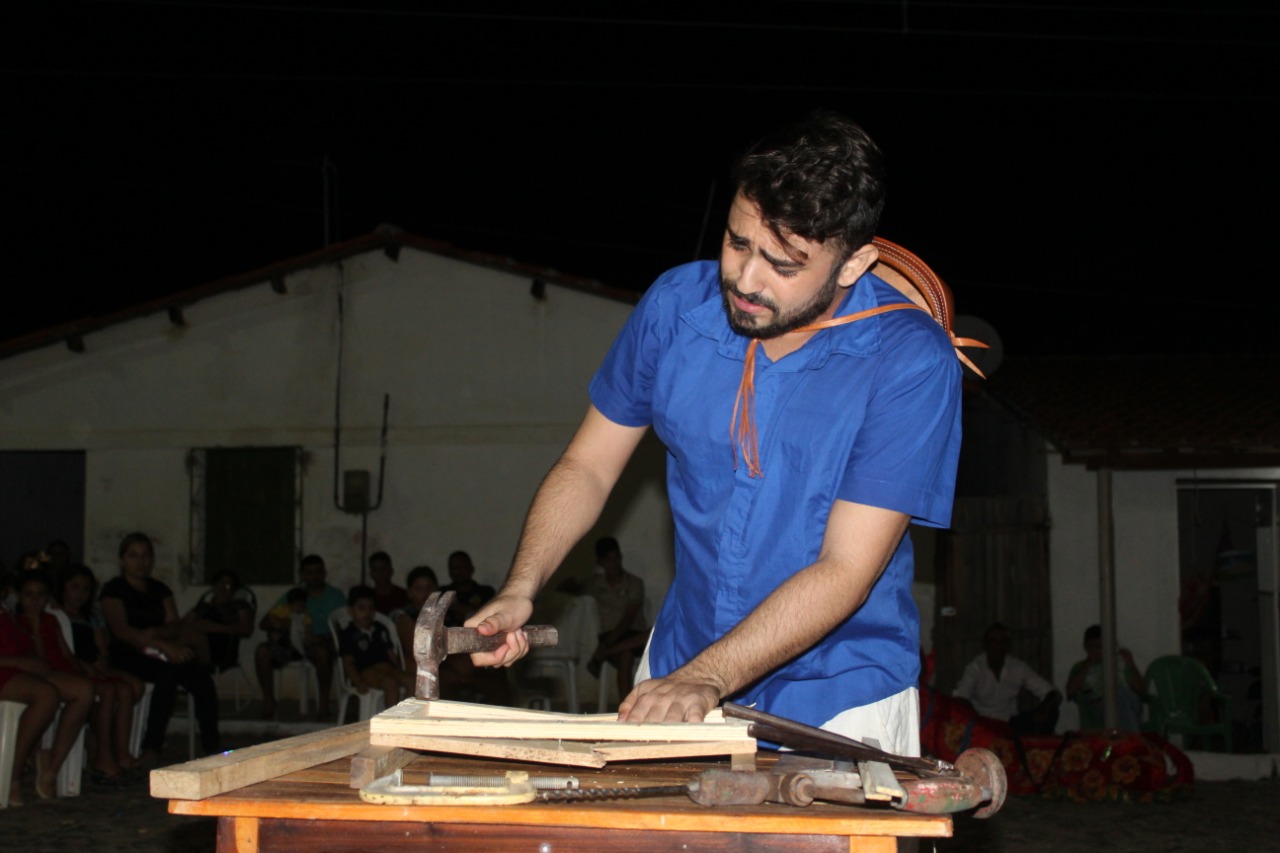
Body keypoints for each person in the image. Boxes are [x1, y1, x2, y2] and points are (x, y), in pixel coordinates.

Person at [468, 111, 963, 754]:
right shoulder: (675, 307)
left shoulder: (910, 360)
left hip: (838, 694)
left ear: (853, 264)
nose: (746, 280)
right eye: (737, 242)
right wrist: (520, 587)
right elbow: (589, 465)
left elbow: (845, 569)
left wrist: (708, 678)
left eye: (783, 264)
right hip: (678, 667)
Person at [100, 532, 222, 759]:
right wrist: (161, 645)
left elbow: (174, 626)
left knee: (201, 679)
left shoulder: (159, 589)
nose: (141, 561)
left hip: (160, 650)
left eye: (145, 555)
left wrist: (157, 635)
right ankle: (151, 746)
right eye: (134, 556)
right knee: (168, 673)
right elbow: (122, 631)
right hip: (128, 653)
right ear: (123, 559)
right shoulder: (113, 591)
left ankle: (212, 746)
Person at [0, 570, 95, 800]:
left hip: (21, 667)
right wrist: (21, 662)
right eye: (28, 594)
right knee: (46, 695)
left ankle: (51, 766)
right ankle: (13, 775)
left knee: (84, 690)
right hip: (8, 669)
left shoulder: (8, 611)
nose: (34, 600)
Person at [56, 564, 145, 784]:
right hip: (73, 670)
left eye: (85, 589)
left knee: (126, 689)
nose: (80, 594)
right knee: (107, 691)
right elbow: (63, 653)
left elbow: (102, 649)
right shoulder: (56, 615)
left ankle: (122, 753)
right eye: (74, 587)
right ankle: (102, 756)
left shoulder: (92, 616)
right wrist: (87, 666)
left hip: (94, 667)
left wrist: (101, 662)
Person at [254, 554, 345, 720]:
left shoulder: (336, 596)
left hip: (319, 643)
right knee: (262, 651)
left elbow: (345, 628)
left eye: (318, 572)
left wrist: (326, 639)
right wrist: (282, 625)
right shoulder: (294, 595)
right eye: (309, 572)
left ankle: (323, 705)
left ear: (324, 573)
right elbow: (264, 623)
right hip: (290, 643)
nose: (314, 576)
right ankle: (269, 701)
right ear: (302, 575)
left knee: (323, 652)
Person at [952, 622, 1061, 735]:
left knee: (1052, 711)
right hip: (983, 725)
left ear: (1008, 646)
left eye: (1003, 642)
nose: (998, 646)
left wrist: (1043, 707)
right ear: (985, 645)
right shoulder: (975, 668)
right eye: (994, 641)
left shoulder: (1018, 667)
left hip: (1010, 724)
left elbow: (1053, 693)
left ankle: (1038, 745)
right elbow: (961, 698)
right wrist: (974, 717)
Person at [585, 537, 647, 699]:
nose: (614, 563)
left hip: (633, 633)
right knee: (625, 654)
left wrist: (605, 646)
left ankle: (602, 654)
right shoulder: (595, 583)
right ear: (601, 562)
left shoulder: (634, 583)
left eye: (617, 558)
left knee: (650, 635)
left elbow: (628, 618)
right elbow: (574, 588)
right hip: (609, 636)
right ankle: (626, 706)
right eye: (609, 559)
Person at [337, 585, 413, 708]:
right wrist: (358, 682)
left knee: (412, 681)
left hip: (387, 667)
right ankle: (391, 718)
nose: (367, 613)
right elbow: (348, 662)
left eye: (371, 608)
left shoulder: (380, 628)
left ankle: (404, 714)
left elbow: (391, 654)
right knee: (390, 683)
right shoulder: (347, 634)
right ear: (351, 611)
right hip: (366, 671)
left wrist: (399, 669)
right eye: (361, 608)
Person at [1066, 624, 1147, 731]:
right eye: (1095, 647)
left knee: (1122, 697)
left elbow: (1142, 691)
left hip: (1127, 700)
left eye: (1103, 646)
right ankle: (1131, 738)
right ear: (1086, 647)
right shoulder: (1081, 667)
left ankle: (1128, 738)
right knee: (1118, 700)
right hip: (1099, 705)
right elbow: (1070, 692)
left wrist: (1130, 664)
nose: (1100, 650)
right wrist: (1087, 665)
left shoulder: (1121, 663)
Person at [182, 570, 255, 672]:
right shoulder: (203, 607)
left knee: (191, 637)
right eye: (220, 583)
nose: (222, 588)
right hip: (193, 648)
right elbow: (182, 625)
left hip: (219, 653)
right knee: (176, 633)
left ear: (233, 590)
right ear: (214, 587)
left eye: (228, 585)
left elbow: (246, 629)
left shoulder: (239, 606)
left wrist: (215, 628)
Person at [392, 565, 439, 672]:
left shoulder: (446, 613)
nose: (426, 593)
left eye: (429, 588)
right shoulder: (404, 617)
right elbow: (419, 653)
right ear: (410, 593)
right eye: (419, 589)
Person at [440, 551, 496, 628]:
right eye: (454, 568)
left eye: (462, 566)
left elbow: (487, 613)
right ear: (449, 571)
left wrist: (452, 606)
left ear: (471, 568)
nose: (458, 571)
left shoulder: (485, 592)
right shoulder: (443, 592)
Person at [368, 551, 409, 616]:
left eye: (383, 569)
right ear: (371, 574)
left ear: (391, 571)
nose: (379, 573)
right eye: (375, 570)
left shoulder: (403, 596)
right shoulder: (367, 597)